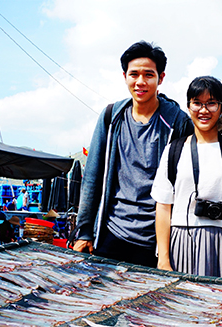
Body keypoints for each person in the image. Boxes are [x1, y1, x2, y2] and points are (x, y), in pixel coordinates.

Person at [72, 41, 194, 267]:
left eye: (148, 75)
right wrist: (85, 230)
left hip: (156, 241)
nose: (140, 82)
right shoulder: (112, 117)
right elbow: (92, 176)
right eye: (134, 74)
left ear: (161, 78)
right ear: (124, 76)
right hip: (111, 233)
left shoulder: (177, 122)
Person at [152, 76, 222, 278]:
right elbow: (163, 206)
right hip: (179, 242)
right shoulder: (174, 150)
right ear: (189, 107)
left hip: (221, 243)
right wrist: (163, 259)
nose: (204, 110)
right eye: (197, 103)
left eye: (211, 104)